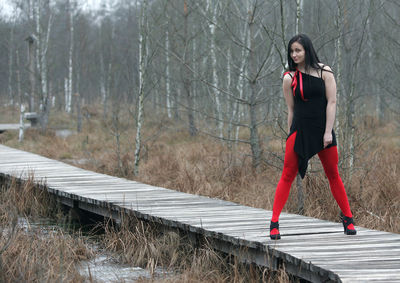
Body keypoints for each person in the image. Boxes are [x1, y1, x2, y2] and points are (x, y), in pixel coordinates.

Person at [269, 34, 356, 240]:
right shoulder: (289, 78)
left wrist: (328, 131)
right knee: (287, 175)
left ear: (307, 50)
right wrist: (291, 136)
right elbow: (291, 110)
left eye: (298, 50)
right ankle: (274, 223)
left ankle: (348, 219)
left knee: (333, 174)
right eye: (292, 51)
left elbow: (332, 102)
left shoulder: (325, 71)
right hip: (300, 131)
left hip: (322, 129)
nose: (294, 54)